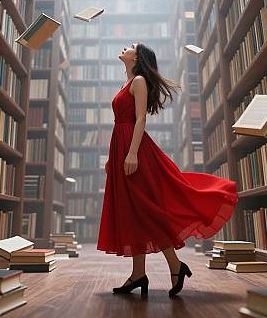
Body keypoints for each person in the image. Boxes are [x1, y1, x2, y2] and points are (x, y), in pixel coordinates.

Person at [97, 43, 238, 297]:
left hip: (134, 148)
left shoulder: (138, 80)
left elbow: (141, 118)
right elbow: (122, 123)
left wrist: (130, 153)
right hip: (122, 145)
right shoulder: (127, 83)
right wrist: (113, 158)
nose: (124, 48)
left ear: (137, 57)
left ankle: (173, 266)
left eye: (130, 47)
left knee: (146, 209)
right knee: (134, 212)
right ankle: (140, 274)